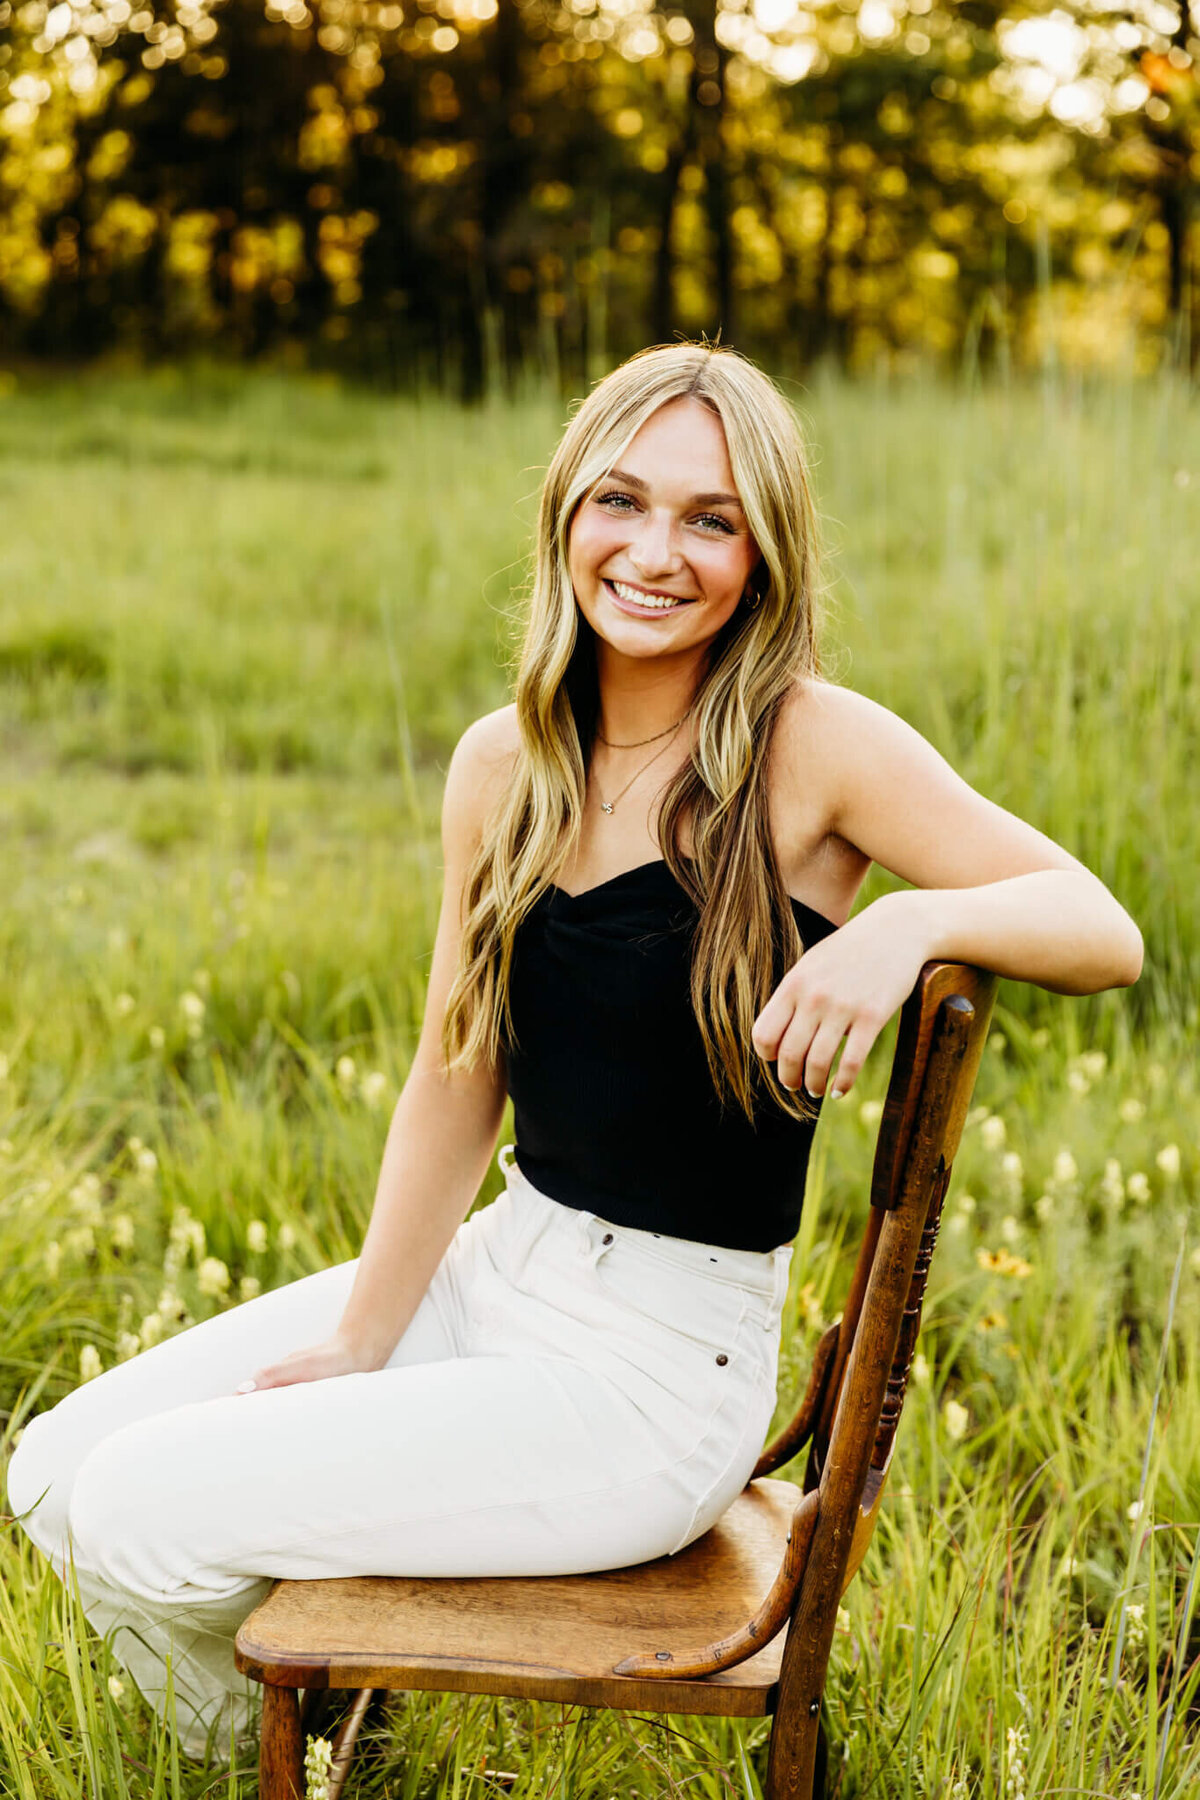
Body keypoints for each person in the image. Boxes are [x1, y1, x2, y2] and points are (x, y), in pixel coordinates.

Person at [6, 342, 1143, 1764]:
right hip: (501, 1273)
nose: (658, 552)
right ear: (565, 516)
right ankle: (301, 1748)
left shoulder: (815, 751)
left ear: (765, 554)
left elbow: (1101, 926)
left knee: (138, 1509)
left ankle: (297, 1757)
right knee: (53, 1476)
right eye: (624, 501)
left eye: (711, 519)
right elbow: (454, 1067)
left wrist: (905, 926)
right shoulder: (505, 763)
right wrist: (367, 1332)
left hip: (653, 1380)